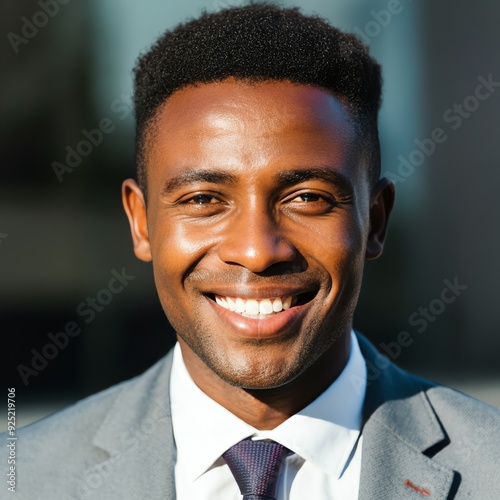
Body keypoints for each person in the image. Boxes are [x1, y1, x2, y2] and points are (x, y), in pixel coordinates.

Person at [3, 4, 499, 499]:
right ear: (141, 223)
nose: (258, 251)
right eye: (203, 200)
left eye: (307, 199)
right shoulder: (23, 479)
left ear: (376, 220)